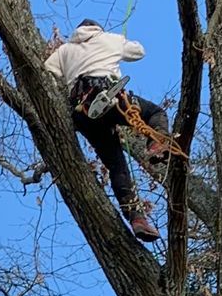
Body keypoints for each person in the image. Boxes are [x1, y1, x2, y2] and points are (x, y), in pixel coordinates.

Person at [43, 21, 173, 241]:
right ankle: (156, 144)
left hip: (82, 112)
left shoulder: (64, 50)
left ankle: (136, 217)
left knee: (116, 165)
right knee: (155, 113)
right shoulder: (108, 38)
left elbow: (48, 69)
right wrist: (120, 43)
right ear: (97, 29)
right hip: (109, 96)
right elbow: (139, 51)